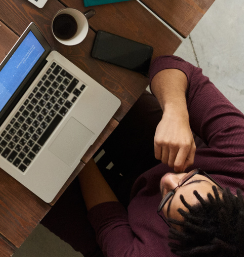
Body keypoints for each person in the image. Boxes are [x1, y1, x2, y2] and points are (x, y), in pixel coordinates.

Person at [41, 55, 244, 257]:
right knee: (103, 85)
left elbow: (108, 220)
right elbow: (168, 64)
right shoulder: (239, 158)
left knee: (39, 182)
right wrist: (175, 113)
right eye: (191, 178)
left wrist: (80, 152)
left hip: (126, 231)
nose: (169, 178)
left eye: (169, 197)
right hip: (162, 154)